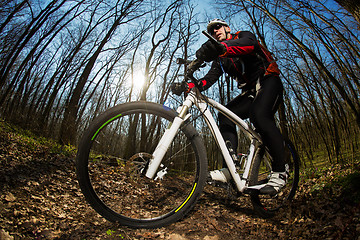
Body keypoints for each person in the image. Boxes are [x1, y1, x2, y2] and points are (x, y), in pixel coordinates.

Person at [174, 19, 287, 195]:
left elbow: (249, 45)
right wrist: (188, 86)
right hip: (250, 93)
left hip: (268, 81)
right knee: (225, 115)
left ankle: (281, 170)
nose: (215, 31)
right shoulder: (221, 59)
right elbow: (208, 79)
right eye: (212, 31)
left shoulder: (243, 36)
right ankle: (229, 168)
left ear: (228, 28)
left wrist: (223, 48)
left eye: (218, 27)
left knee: (260, 115)